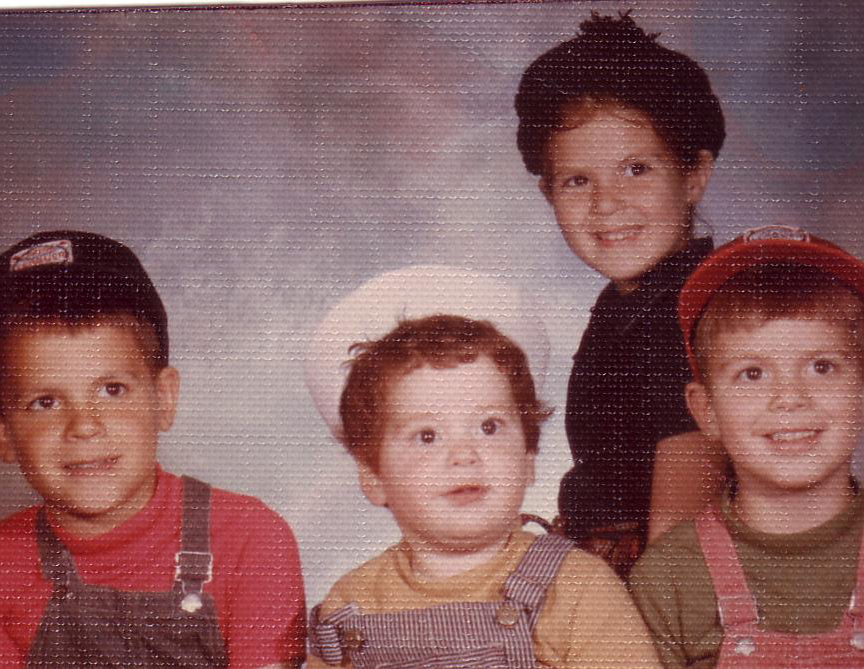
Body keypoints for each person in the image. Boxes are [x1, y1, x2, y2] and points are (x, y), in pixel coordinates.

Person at [0, 230, 306, 668]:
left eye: (112, 389)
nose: (84, 425)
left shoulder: (252, 539)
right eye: (45, 402)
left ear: (163, 399)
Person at [302, 267, 660, 669]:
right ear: (373, 478)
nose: (464, 455)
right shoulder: (350, 605)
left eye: (489, 427)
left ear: (528, 459)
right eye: (427, 436)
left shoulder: (578, 588)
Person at [514, 12, 727, 571]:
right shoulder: (631, 303)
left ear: (694, 175)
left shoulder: (690, 312)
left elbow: (681, 535)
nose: (606, 203)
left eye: (636, 169)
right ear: (548, 192)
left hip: (656, 586)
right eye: (578, 180)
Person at [629, 225, 864, 668]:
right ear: (706, 411)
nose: (790, 398)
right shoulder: (669, 578)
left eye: (822, 366)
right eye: (752, 374)